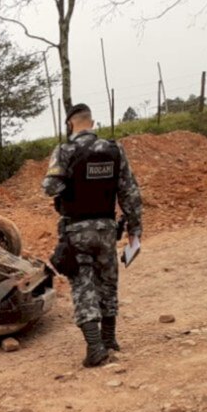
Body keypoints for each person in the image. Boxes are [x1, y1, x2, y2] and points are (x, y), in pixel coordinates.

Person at [43, 103, 143, 368]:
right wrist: (135, 230)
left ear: (70, 124)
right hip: (107, 230)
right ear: (92, 122)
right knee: (108, 283)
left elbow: (50, 186)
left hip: (77, 231)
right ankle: (110, 340)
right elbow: (129, 192)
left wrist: (72, 184)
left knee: (83, 286)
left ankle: (95, 347)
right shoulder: (114, 150)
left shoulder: (65, 151)